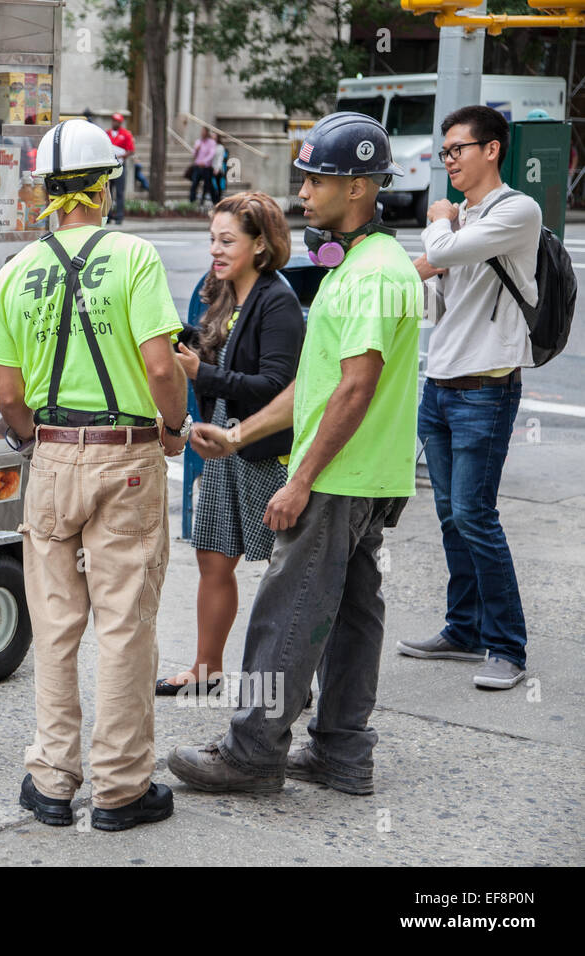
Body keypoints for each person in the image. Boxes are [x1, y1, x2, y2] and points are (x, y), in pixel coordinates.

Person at [167, 112, 422, 796]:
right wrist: (241, 436)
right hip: (369, 474)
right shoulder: (355, 266)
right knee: (351, 614)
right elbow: (314, 386)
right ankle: (342, 750)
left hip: (339, 477)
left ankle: (251, 752)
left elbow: (356, 386)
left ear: (361, 187)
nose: (303, 194)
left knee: (291, 607)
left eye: (317, 181)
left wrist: (301, 479)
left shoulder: (372, 272)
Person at [0, 118, 188, 830]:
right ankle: (122, 790)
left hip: (53, 453)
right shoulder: (134, 256)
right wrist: (176, 427)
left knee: (56, 622)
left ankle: (52, 781)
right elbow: (162, 366)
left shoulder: (16, 270)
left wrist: (44, 443)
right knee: (125, 624)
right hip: (127, 454)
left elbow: (7, 396)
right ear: (106, 185)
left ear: (44, 189)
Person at [401, 105, 540, 690]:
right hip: (442, 384)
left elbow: (447, 253)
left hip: (486, 386)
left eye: (458, 148)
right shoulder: (463, 218)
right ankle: (463, 630)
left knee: (475, 515)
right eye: (446, 150)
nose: (448, 159)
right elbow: (438, 295)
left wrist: (438, 222)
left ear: (492, 150)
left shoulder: (516, 211)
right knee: (451, 517)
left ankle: (507, 646)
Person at [156, 192, 303, 697]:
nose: (215, 252)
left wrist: (206, 374)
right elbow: (203, 348)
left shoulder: (277, 300)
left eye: (227, 241)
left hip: (265, 449)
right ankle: (205, 669)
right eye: (211, 241)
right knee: (213, 557)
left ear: (261, 244)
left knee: (286, 570)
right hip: (221, 442)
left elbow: (279, 387)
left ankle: (292, 680)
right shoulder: (217, 291)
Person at [108, 111, 136, 224]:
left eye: (117, 121)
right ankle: (108, 215)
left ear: (120, 123)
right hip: (109, 166)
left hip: (120, 165)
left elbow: (131, 150)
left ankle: (119, 216)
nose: (115, 123)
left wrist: (121, 155)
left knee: (119, 192)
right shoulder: (107, 133)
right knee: (108, 192)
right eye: (114, 120)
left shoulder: (126, 134)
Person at [189, 126, 217, 205]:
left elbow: (211, 154)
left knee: (209, 185)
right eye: (202, 131)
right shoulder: (198, 142)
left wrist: (204, 162)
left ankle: (215, 201)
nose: (202, 133)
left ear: (207, 133)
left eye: (204, 131)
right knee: (194, 184)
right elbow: (194, 154)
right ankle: (192, 201)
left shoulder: (211, 142)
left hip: (206, 167)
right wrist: (196, 150)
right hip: (197, 167)